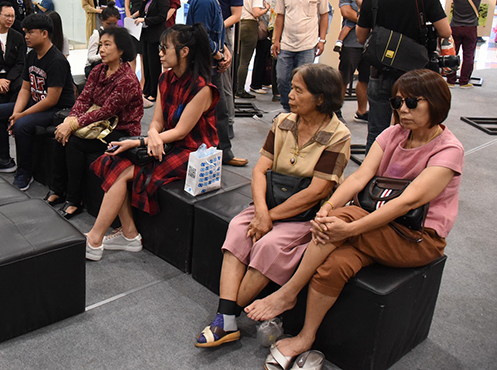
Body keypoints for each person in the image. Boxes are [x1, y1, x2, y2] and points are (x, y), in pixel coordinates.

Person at [245, 69, 463, 367]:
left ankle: (289, 292)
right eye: (397, 102)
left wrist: (348, 227)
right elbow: (360, 176)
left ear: (436, 102)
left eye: (412, 102)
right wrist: (327, 207)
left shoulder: (449, 150)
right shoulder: (393, 134)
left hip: (417, 238)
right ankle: (306, 337)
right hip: (377, 228)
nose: (403, 109)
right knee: (334, 264)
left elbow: (408, 202)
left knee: (345, 218)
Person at [193, 64, 351, 348]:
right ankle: (226, 320)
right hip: (269, 204)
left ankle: (225, 318)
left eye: (298, 90)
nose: (289, 94)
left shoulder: (338, 135)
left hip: (304, 216)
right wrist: (262, 212)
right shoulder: (282, 122)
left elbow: (317, 191)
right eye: (292, 88)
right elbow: (259, 170)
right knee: (238, 229)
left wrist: (269, 217)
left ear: (320, 98)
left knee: (269, 245)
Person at [85, 24, 220, 261]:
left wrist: (143, 141)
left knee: (123, 169)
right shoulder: (165, 78)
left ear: (184, 52)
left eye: (165, 48)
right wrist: (152, 135)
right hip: (168, 143)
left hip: (195, 152)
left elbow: (181, 132)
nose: (160, 52)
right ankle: (126, 234)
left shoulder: (203, 89)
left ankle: (98, 239)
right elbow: (156, 122)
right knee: (111, 161)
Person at [357, 0, 452, 151]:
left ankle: (373, 169)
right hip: (415, 72)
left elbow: (361, 37)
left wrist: (363, 9)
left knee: (377, 130)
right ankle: (408, 165)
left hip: (381, 70)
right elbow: (445, 31)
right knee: (414, 129)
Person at [54, 26, 143, 219]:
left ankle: (74, 200)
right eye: (101, 45)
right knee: (60, 132)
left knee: (74, 142)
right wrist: (70, 119)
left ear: (121, 50)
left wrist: (73, 124)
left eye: (107, 45)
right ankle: (59, 190)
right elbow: (84, 99)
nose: (101, 49)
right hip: (97, 124)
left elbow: (106, 111)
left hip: (121, 130)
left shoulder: (127, 80)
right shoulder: (98, 70)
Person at [0, 14, 76, 192]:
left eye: (30, 32)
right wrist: (16, 113)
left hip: (58, 110)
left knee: (22, 125)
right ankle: (3, 159)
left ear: (44, 34)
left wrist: (22, 116)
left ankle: (25, 171)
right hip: (37, 103)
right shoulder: (31, 56)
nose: (26, 36)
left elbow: (52, 99)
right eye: (25, 32)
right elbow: (25, 89)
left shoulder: (57, 60)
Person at [186, 0, 247, 167]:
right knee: (214, 110)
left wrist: (225, 50)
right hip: (206, 66)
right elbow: (201, 35)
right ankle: (217, 153)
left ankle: (221, 152)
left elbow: (214, 32)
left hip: (210, 64)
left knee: (217, 111)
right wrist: (219, 56)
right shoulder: (205, 0)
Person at [272, 0, 330, 114]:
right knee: (282, 78)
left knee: (303, 80)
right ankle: (287, 108)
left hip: (308, 44)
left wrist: (322, 40)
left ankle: (298, 111)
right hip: (287, 43)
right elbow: (280, 17)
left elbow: (324, 16)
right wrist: (276, 40)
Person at [336, 0, 376, 122]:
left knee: (365, 78)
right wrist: (366, 19)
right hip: (351, 42)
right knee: (344, 77)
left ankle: (361, 111)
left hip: (370, 42)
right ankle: (336, 110)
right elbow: (346, 12)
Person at [445, 0, 487, 88]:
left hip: (455, 27)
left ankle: (451, 80)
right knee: (469, 55)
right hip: (471, 28)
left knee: (452, 53)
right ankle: (464, 81)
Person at [135, 0, 170, 106]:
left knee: (154, 65)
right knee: (146, 64)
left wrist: (145, 20)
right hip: (146, 35)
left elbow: (161, 18)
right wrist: (144, 0)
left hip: (156, 35)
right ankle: (147, 90)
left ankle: (154, 92)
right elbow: (142, 12)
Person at [236, 0, 268, 99]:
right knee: (245, 61)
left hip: (239, 25)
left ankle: (234, 87)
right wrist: (266, 10)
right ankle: (240, 90)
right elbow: (256, 12)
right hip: (250, 26)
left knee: (238, 59)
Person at [250, 0, 275, 95]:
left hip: (258, 29)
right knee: (261, 57)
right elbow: (262, 14)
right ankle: (256, 83)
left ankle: (260, 82)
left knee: (261, 57)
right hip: (263, 31)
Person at [85, 2, 121, 78]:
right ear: (102, 20)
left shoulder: (118, 34)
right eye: (108, 24)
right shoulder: (97, 34)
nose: (111, 27)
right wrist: (106, 55)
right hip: (94, 67)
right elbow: (90, 58)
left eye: (114, 24)